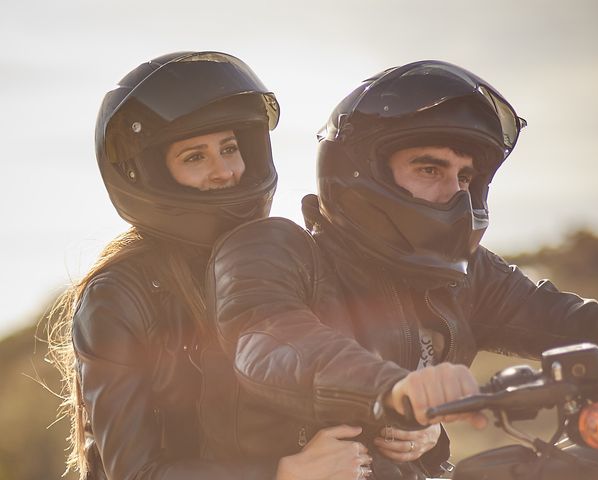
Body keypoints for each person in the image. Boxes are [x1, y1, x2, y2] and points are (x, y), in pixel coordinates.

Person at [206, 60, 598, 479]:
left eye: (465, 177)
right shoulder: (275, 248)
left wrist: (430, 434)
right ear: (362, 172)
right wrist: (393, 389)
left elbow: (574, 321)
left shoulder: (469, 276)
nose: (454, 194)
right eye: (430, 169)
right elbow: (270, 338)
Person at [46, 51, 372, 480]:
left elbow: (348, 372)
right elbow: (133, 472)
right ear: (149, 175)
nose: (224, 171)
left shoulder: (287, 260)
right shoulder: (118, 295)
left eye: (230, 148)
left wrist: (410, 430)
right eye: (195, 157)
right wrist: (282, 473)